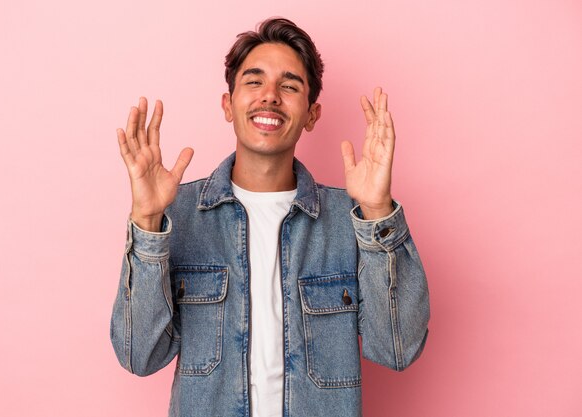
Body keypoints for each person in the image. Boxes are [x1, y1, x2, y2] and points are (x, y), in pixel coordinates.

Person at [110, 17, 429, 417]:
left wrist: (379, 211)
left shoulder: (352, 222)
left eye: (290, 86)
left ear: (312, 115)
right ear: (228, 105)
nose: (270, 97)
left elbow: (398, 347)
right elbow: (140, 355)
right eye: (254, 81)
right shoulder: (178, 217)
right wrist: (146, 221)